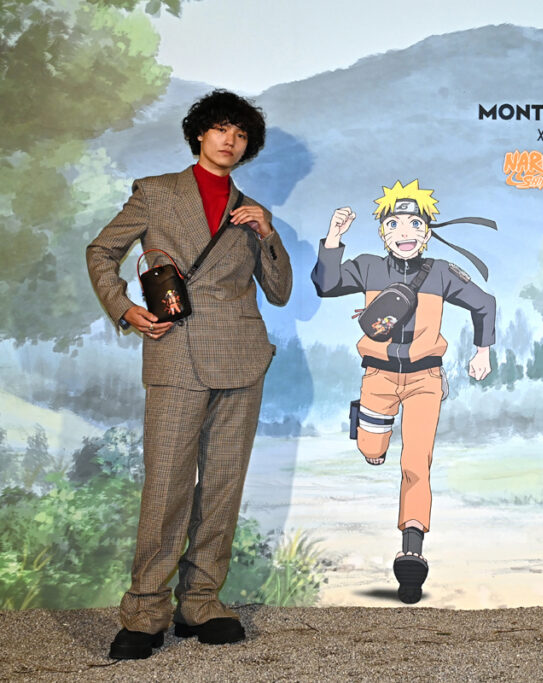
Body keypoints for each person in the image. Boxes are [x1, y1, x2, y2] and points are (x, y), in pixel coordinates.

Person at [86, 90, 292, 658]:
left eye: (241, 135)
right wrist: (124, 308)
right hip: (175, 351)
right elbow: (101, 252)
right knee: (167, 485)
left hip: (242, 356)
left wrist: (268, 234)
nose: (231, 141)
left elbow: (279, 292)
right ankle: (145, 609)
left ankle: (200, 601)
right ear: (200, 133)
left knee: (223, 485)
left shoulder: (252, 211)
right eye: (221, 129)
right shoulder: (155, 193)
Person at [311, 180, 496, 604]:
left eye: (415, 224)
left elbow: (484, 303)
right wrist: (334, 235)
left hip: (424, 379)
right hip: (377, 377)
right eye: (394, 224)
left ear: (427, 232)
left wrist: (483, 350)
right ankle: (368, 433)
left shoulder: (442, 273)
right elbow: (326, 284)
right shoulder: (368, 267)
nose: (405, 232)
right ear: (382, 232)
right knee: (371, 449)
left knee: (416, 462)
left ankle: (412, 549)